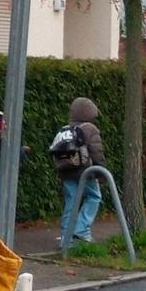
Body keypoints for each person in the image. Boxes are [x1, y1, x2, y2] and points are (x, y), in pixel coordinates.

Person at [52, 96, 107, 248]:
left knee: (71, 203)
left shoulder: (65, 129)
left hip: (66, 171)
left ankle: (66, 239)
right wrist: (102, 172)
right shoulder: (89, 128)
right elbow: (96, 152)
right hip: (85, 172)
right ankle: (82, 229)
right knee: (94, 197)